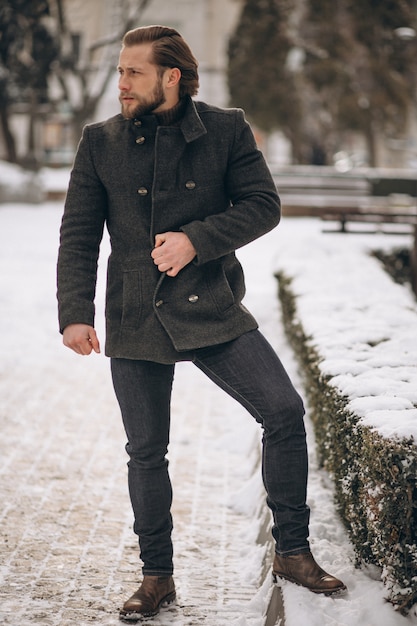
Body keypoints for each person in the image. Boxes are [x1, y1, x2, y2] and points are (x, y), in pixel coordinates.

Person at [57, 24, 346, 621]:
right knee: (146, 451)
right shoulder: (99, 141)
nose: (122, 84)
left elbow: (263, 204)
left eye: (133, 72)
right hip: (135, 312)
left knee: (284, 412)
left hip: (210, 303)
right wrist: (74, 315)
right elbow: (79, 236)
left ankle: (293, 552)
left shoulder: (226, 128)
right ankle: (155, 576)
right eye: (119, 71)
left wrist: (196, 240)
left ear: (173, 76)